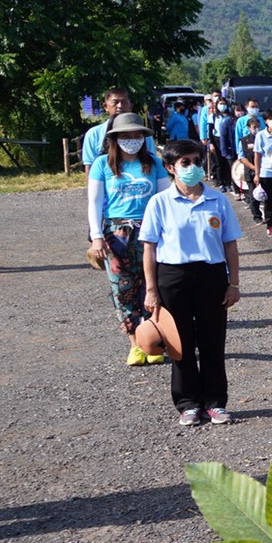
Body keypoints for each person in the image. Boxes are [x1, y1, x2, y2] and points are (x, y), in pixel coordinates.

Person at [138, 139, 243, 426]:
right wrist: (151, 290)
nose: (193, 167)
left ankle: (215, 402)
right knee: (179, 343)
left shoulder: (217, 200)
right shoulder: (160, 202)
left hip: (211, 275)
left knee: (213, 340)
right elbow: (149, 248)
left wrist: (233, 283)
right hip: (172, 276)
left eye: (197, 161)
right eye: (185, 163)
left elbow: (230, 244)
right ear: (170, 168)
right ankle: (188, 403)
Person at [87, 113, 171, 365]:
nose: (132, 140)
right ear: (115, 139)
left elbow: (166, 199)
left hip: (151, 231)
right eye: (125, 135)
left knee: (152, 286)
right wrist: (97, 237)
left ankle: (154, 341)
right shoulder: (102, 164)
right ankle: (135, 343)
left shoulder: (153, 163)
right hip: (117, 233)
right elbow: (94, 202)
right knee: (122, 289)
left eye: (136, 135)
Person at [81, 88, 155, 171]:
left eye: (124, 102)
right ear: (105, 106)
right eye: (115, 102)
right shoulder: (94, 134)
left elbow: (152, 161)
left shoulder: (143, 133)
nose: (120, 106)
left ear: (130, 106)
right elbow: (89, 167)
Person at [214, 100, 237, 193]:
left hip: (228, 140)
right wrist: (210, 143)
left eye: (224, 104)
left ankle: (228, 183)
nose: (222, 106)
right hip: (217, 139)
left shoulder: (229, 117)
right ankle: (221, 183)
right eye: (220, 104)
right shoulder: (214, 116)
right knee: (219, 163)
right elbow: (210, 129)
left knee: (228, 164)